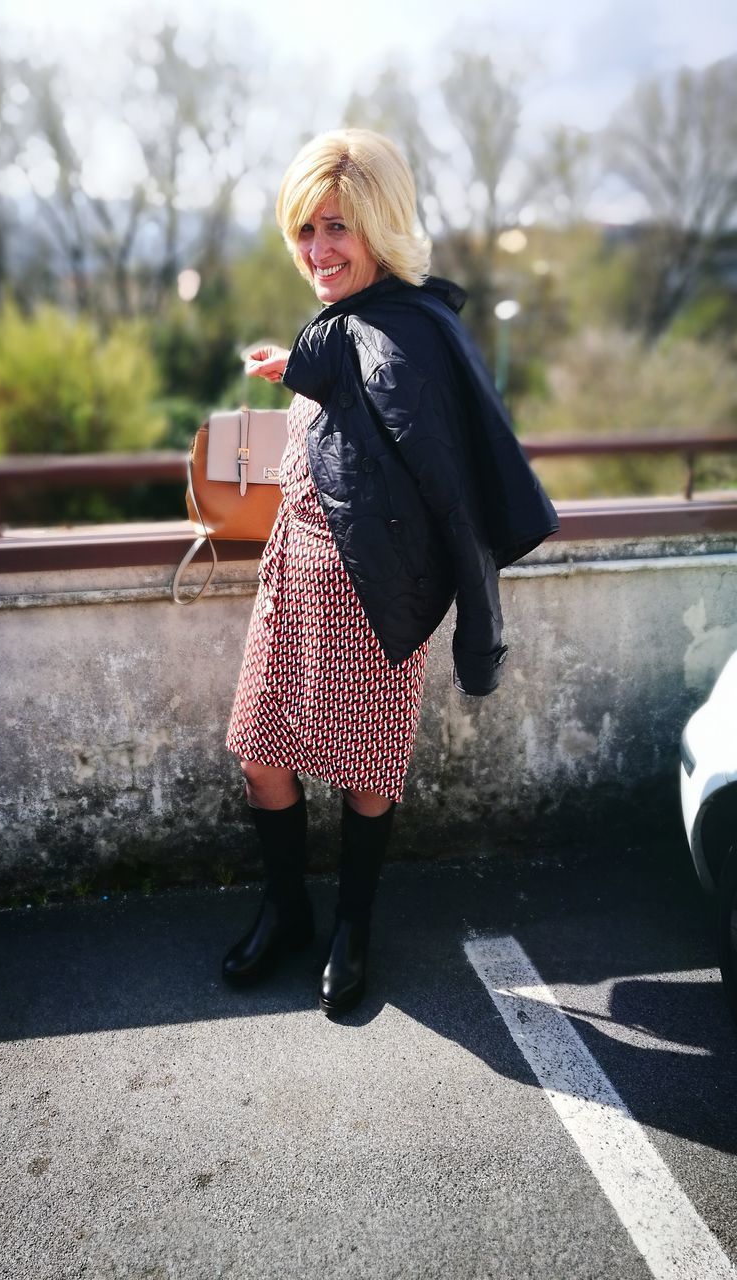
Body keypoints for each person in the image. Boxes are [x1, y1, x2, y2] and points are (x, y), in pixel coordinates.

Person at [221, 128, 558, 1018]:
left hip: (374, 599)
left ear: (379, 225)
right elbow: (357, 405)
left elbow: (450, 483)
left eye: (338, 228)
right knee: (263, 759)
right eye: (305, 230)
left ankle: (352, 927)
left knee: (367, 777)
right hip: (292, 578)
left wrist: (480, 630)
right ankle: (288, 910)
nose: (319, 250)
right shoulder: (346, 325)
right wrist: (293, 369)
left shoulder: (410, 331)